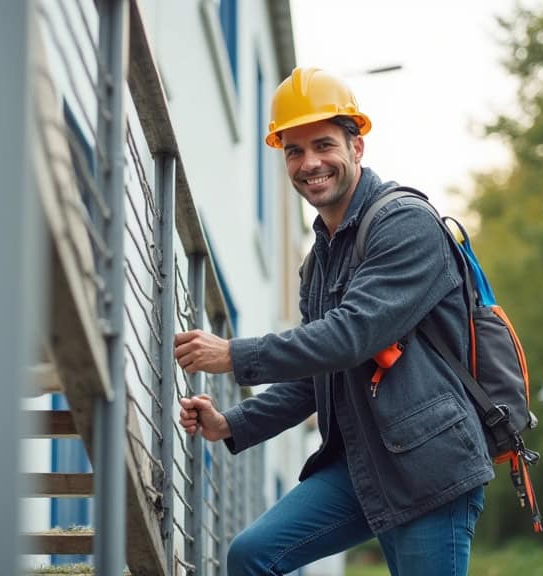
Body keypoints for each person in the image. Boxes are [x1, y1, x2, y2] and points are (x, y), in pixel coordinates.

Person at [174, 67, 494, 576]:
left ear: (357, 148)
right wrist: (230, 423)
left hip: (428, 467)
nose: (310, 163)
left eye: (323, 145)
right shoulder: (319, 259)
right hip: (360, 465)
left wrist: (234, 355)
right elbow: (315, 376)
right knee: (252, 556)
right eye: (294, 151)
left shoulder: (406, 224)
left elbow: (351, 335)